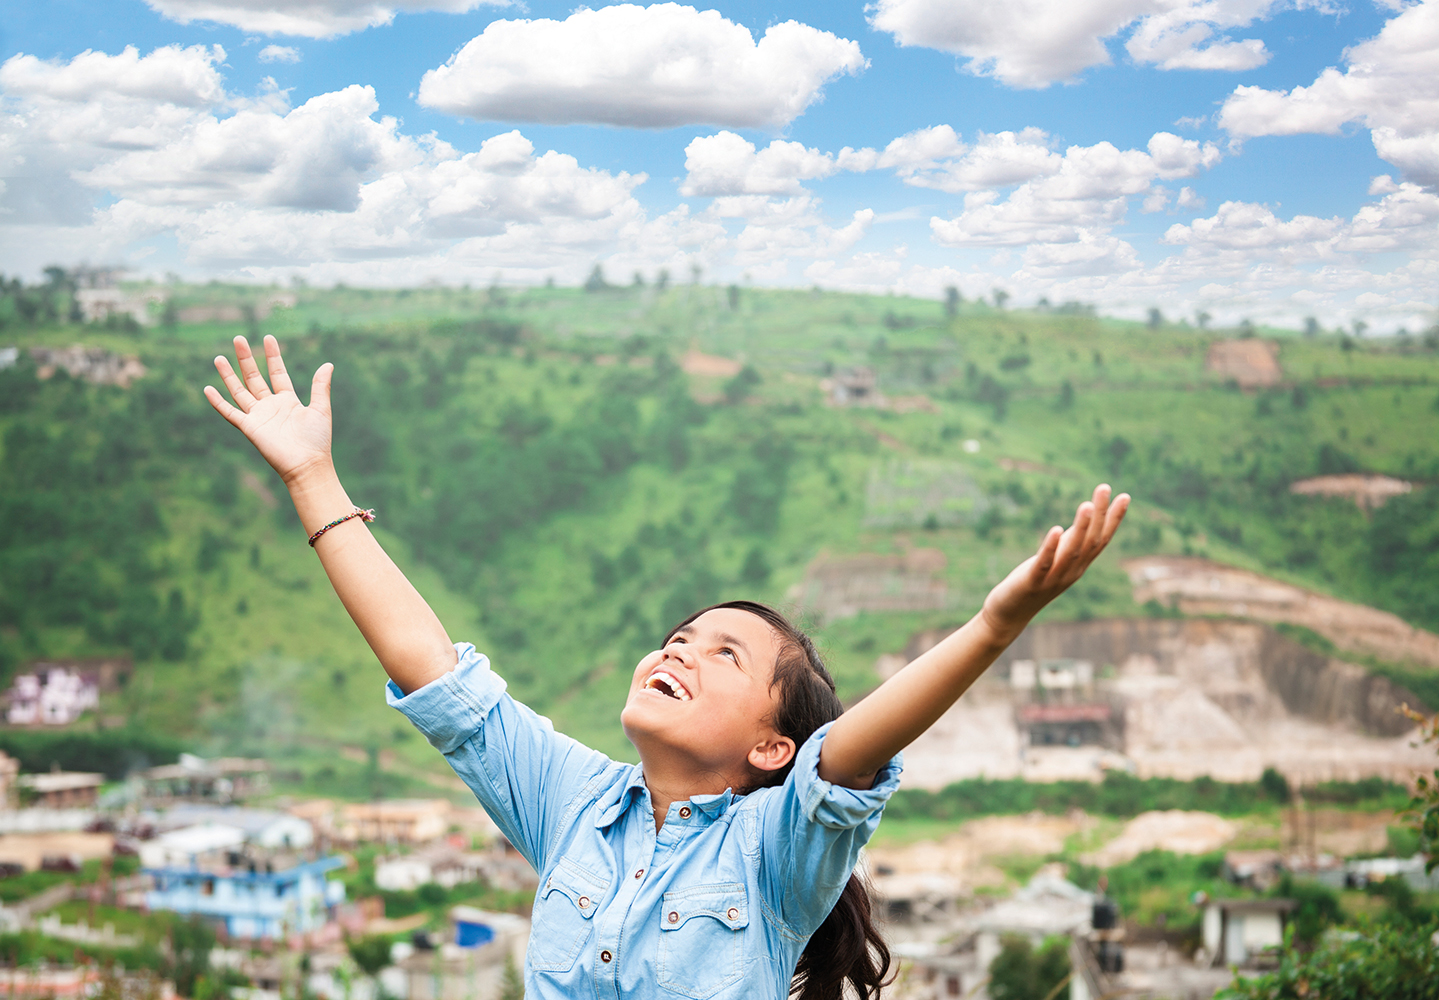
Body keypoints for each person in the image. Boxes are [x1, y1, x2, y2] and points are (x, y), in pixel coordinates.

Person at [204, 335, 1129, 1000]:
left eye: (724, 654)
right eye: (680, 637)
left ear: (772, 747)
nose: (680, 650)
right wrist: (310, 479)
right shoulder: (570, 805)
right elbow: (436, 673)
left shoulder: (773, 858)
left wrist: (994, 624)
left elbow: (848, 756)